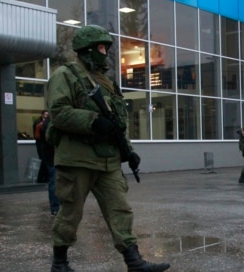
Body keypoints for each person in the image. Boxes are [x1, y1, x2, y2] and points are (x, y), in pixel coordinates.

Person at [47, 25, 170, 272]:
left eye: (106, 47)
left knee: (120, 209)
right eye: (101, 47)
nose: (105, 52)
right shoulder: (65, 75)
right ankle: (59, 263)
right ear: (88, 50)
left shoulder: (108, 82)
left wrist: (129, 151)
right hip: (77, 158)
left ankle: (134, 262)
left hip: (108, 159)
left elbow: (117, 123)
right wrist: (93, 121)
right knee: (70, 213)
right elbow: (58, 113)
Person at [39, 115, 60, 216]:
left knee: (55, 182)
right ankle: (56, 207)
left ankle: (57, 207)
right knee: (54, 182)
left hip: (52, 157)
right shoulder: (50, 123)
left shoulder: (49, 122)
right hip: (53, 157)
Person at [33, 110, 50, 183]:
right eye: (45, 114)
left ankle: (44, 177)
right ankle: (41, 178)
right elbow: (37, 135)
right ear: (42, 115)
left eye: (47, 114)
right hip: (41, 144)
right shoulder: (38, 123)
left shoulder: (44, 123)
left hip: (43, 144)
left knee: (45, 161)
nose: (46, 116)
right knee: (43, 161)